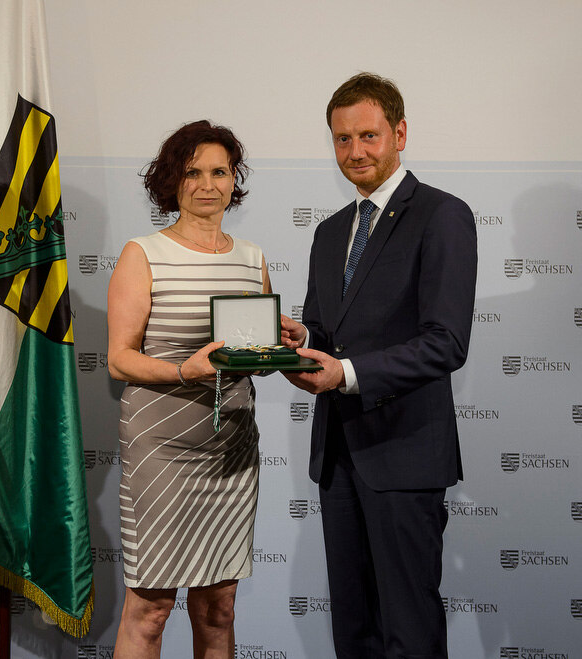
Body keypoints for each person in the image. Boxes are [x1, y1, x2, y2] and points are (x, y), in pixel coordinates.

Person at [279, 73, 478, 658]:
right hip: (338, 459)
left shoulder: (442, 215)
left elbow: (446, 341)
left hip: (405, 456)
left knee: (409, 631)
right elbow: (327, 327)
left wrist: (346, 374)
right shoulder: (329, 230)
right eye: (342, 139)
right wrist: (300, 336)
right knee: (354, 629)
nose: (355, 152)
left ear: (400, 133)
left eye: (368, 135)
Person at [107, 120, 271, 659]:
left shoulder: (252, 258)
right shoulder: (143, 253)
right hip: (162, 453)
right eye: (192, 171)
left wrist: (278, 344)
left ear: (234, 180)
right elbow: (119, 358)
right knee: (150, 611)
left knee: (219, 608)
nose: (207, 184)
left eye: (219, 171)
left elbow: (250, 351)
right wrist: (184, 372)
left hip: (232, 452)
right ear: (171, 181)